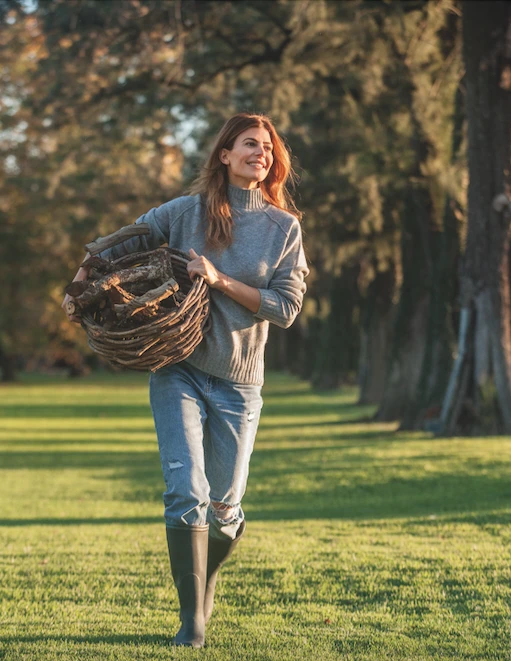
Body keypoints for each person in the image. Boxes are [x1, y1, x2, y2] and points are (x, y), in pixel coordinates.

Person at [62, 112, 309, 648]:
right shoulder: (185, 212)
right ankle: (191, 622)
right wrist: (80, 282)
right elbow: (119, 243)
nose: (260, 154)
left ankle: (207, 576)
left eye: (267, 149)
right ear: (224, 154)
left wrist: (219, 279)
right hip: (179, 371)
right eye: (249, 144)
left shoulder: (283, 228)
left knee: (223, 507)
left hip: (240, 381)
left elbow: (286, 307)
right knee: (185, 492)